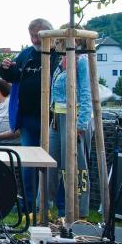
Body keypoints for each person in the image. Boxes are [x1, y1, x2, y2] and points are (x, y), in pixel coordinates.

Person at [0, 18, 55, 207]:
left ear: (49, 34)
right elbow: (12, 76)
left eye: (38, 36)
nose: (34, 40)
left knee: (51, 161)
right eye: (32, 36)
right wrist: (5, 68)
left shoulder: (59, 55)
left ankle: (48, 204)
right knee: (28, 163)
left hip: (52, 118)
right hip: (28, 117)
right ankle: (28, 204)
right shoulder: (26, 54)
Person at [51, 50, 93, 219]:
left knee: (77, 167)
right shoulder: (61, 60)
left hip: (74, 117)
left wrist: (81, 123)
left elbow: (86, 92)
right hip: (56, 117)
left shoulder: (81, 60)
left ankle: (79, 212)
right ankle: (44, 208)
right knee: (50, 164)